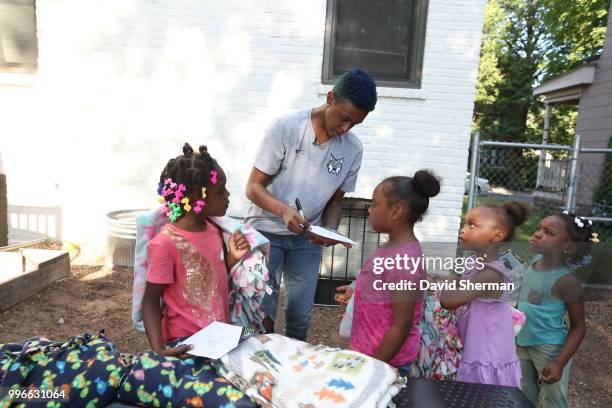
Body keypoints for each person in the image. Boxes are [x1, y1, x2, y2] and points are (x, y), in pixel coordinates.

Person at [244, 68, 377, 340]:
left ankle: (292, 378)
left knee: (300, 318)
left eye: (355, 124)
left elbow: (335, 202)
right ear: (330, 98)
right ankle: (255, 375)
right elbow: (253, 188)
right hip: (264, 233)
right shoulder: (287, 127)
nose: (346, 128)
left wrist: (328, 229)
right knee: (261, 316)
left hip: (306, 240)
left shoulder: (353, 149)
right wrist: (283, 210)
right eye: (344, 118)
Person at [142, 143, 250, 357]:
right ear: (194, 197)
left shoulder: (213, 229)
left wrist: (231, 259)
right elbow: (150, 300)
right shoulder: (165, 244)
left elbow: (206, 279)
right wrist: (159, 349)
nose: (228, 195)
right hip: (187, 344)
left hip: (220, 339)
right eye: (220, 191)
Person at [337, 171, 439, 375]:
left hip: (385, 362)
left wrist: (373, 368)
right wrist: (355, 291)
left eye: (374, 204)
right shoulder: (390, 247)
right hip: (367, 352)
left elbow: (402, 324)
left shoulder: (404, 261)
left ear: (396, 212)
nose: (369, 210)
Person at [441, 201, 531, 387]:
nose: (463, 229)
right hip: (476, 347)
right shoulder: (475, 262)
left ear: (497, 235)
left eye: (473, 225)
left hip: (488, 355)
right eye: (465, 223)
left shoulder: (491, 274)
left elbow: (448, 300)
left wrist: (452, 274)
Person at [517, 212, 591, 407]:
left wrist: (559, 362)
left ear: (569, 247)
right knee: (523, 396)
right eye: (538, 228)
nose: (538, 234)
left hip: (549, 349)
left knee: (553, 400)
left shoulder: (567, 282)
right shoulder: (533, 263)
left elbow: (578, 327)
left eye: (548, 233)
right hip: (521, 342)